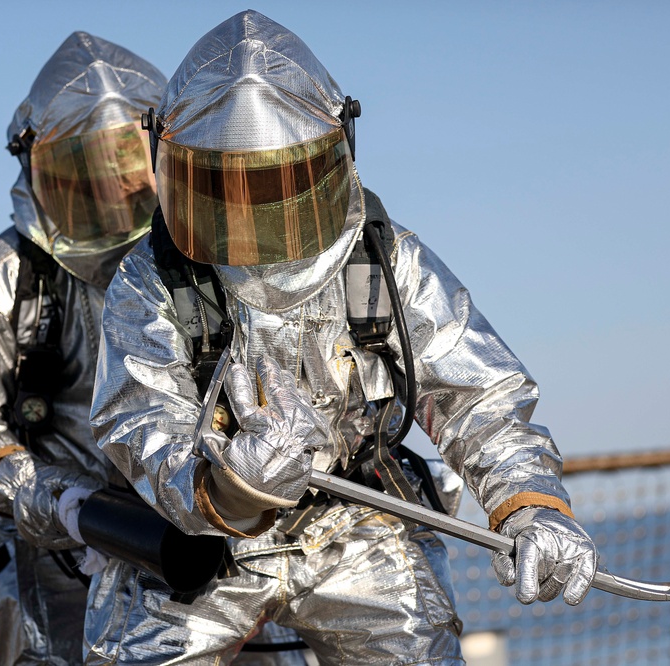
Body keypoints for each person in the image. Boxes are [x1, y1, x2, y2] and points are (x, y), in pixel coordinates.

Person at [86, 10, 598, 664]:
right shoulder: (152, 275)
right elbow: (140, 418)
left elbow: (474, 397)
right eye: (224, 188)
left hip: (357, 523)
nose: (253, 214)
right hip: (205, 531)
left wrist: (531, 504)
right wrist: (227, 489)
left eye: (278, 186)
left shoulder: (386, 261)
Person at [0, 32, 167, 665]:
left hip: (194, 528)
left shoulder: (206, 259)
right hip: (52, 546)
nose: (112, 193)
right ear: (37, 170)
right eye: (83, 173)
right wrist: (49, 497)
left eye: (127, 169)